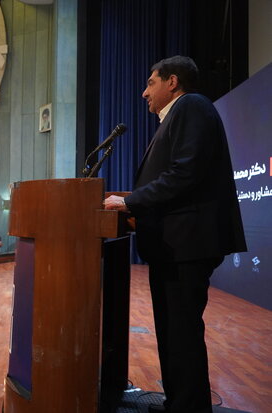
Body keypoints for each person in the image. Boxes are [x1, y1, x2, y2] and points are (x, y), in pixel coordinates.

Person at [103, 56, 246, 413]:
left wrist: (131, 201)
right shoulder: (178, 115)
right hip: (173, 245)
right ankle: (180, 403)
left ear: (172, 82)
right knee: (172, 332)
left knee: (181, 333)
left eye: (150, 83)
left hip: (187, 243)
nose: (143, 92)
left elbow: (186, 173)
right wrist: (133, 203)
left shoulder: (192, 106)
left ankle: (189, 407)